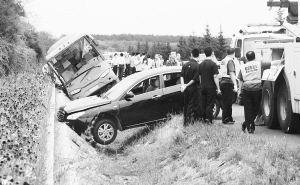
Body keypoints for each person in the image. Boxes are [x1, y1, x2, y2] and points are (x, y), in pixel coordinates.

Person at [238, 51, 271, 133]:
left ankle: (246, 124)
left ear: (246, 58)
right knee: (255, 109)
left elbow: (240, 79)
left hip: (246, 89)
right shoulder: (260, 64)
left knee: (248, 109)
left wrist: (239, 90)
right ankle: (250, 128)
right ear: (255, 57)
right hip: (257, 89)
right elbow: (271, 63)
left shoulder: (243, 67)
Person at [199, 47, 221, 124]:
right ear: (212, 53)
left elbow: (200, 77)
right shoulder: (213, 64)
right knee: (210, 104)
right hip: (211, 87)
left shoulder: (201, 64)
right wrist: (218, 88)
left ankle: (203, 120)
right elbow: (215, 77)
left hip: (203, 87)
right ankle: (209, 120)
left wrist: (201, 85)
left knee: (203, 104)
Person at [180, 48, 200, 126]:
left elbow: (181, 76)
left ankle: (185, 122)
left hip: (185, 90)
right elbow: (195, 79)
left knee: (186, 105)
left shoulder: (185, 65)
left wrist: (183, 85)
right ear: (198, 56)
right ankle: (190, 123)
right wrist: (187, 84)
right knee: (192, 106)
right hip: (193, 89)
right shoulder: (197, 66)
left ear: (191, 55)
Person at [219, 48, 238, 124]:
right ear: (233, 53)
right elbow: (231, 73)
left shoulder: (223, 60)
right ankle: (226, 119)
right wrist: (235, 85)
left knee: (225, 101)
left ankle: (229, 118)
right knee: (228, 102)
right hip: (228, 83)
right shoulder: (230, 61)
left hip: (222, 82)